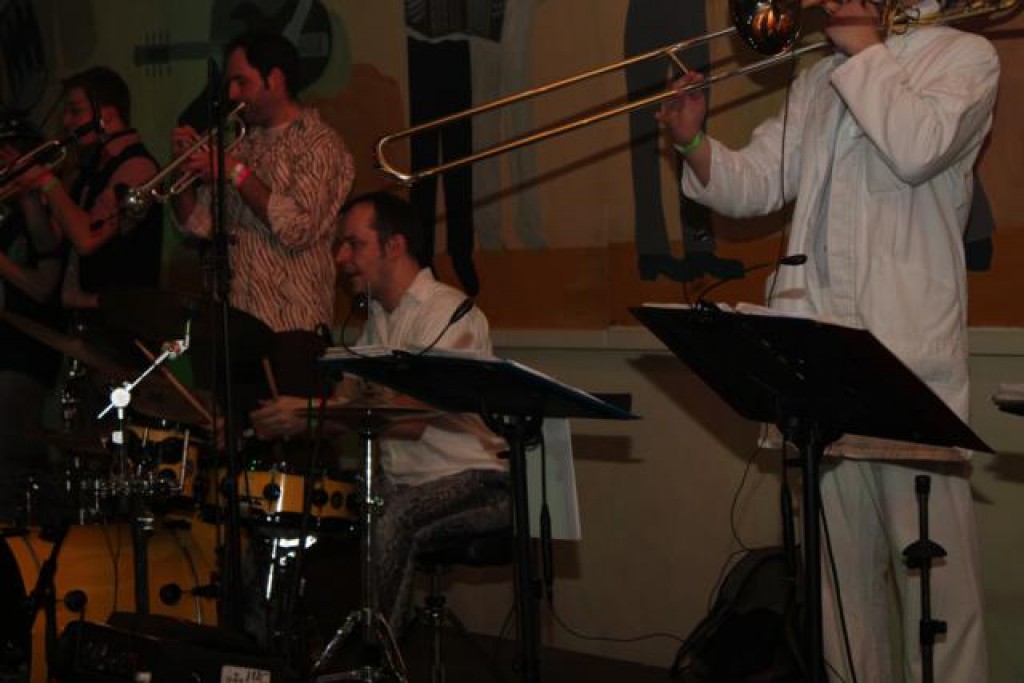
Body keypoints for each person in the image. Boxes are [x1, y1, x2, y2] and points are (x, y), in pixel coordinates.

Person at [657, 1, 998, 680]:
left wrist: (865, 50)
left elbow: (917, 147)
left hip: (907, 367)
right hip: (821, 368)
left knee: (937, 597)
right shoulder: (816, 77)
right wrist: (694, 144)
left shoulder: (964, 56)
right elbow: (759, 182)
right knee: (842, 600)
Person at [250, 191, 510, 638]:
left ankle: (377, 655)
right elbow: (348, 406)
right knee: (286, 501)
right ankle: (265, 645)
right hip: (401, 483)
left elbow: (410, 419)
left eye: (353, 244)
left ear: (394, 246)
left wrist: (310, 413)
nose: (340, 258)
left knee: (392, 520)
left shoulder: (447, 313)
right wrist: (287, 419)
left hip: (477, 482)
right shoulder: (377, 321)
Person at [172, 30, 355, 339]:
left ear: (275, 79)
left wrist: (235, 172)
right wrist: (181, 168)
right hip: (236, 324)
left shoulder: (320, 144)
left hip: (292, 328)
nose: (232, 93)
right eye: (230, 83)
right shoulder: (241, 145)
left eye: (242, 82)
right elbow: (197, 225)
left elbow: (298, 227)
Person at [5, 67, 164, 310]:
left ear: (107, 116)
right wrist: (29, 196)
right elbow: (50, 243)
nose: (66, 121)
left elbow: (87, 240)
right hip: (82, 317)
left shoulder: (138, 166)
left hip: (122, 318)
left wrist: (47, 181)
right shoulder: (91, 166)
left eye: (76, 111)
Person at [0, 111, 68, 523]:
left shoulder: (43, 209)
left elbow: (43, 285)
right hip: (8, 345)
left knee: (11, 450)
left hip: (28, 349)